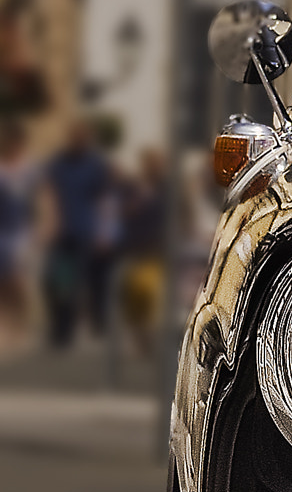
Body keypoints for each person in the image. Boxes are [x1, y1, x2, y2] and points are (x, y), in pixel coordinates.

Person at [40, 120, 113, 347]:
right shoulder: (59, 163)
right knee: (56, 281)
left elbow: (103, 199)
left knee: (84, 282)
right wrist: (48, 223)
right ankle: (61, 326)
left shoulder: (95, 165)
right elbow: (49, 193)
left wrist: (103, 231)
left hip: (87, 230)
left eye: (82, 137)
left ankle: (78, 326)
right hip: (63, 232)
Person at [116, 147, 167, 360]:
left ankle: (149, 341)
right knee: (132, 301)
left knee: (150, 295)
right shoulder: (133, 188)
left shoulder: (167, 189)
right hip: (134, 250)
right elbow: (122, 212)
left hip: (155, 253)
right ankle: (141, 340)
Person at [0, 119, 33, 349]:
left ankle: (21, 327)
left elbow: (44, 199)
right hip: (2, 230)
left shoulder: (29, 170)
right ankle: (6, 326)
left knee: (17, 281)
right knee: (3, 282)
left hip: (20, 232)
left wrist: (48, 225)